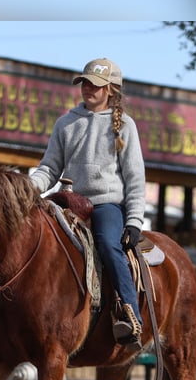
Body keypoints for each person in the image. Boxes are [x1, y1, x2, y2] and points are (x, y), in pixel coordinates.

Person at [29, 57, 146, 350]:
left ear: (110, 90)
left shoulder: (125, 126)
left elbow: (135, 178)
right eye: (85, 83)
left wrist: (134, 221)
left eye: (95, 84)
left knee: (108, 243)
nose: (88, 89)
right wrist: (27, 189)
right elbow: (49, 168)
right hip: (68, 199)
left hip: (107, 204)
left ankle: (130, 314)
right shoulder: (66, 122)